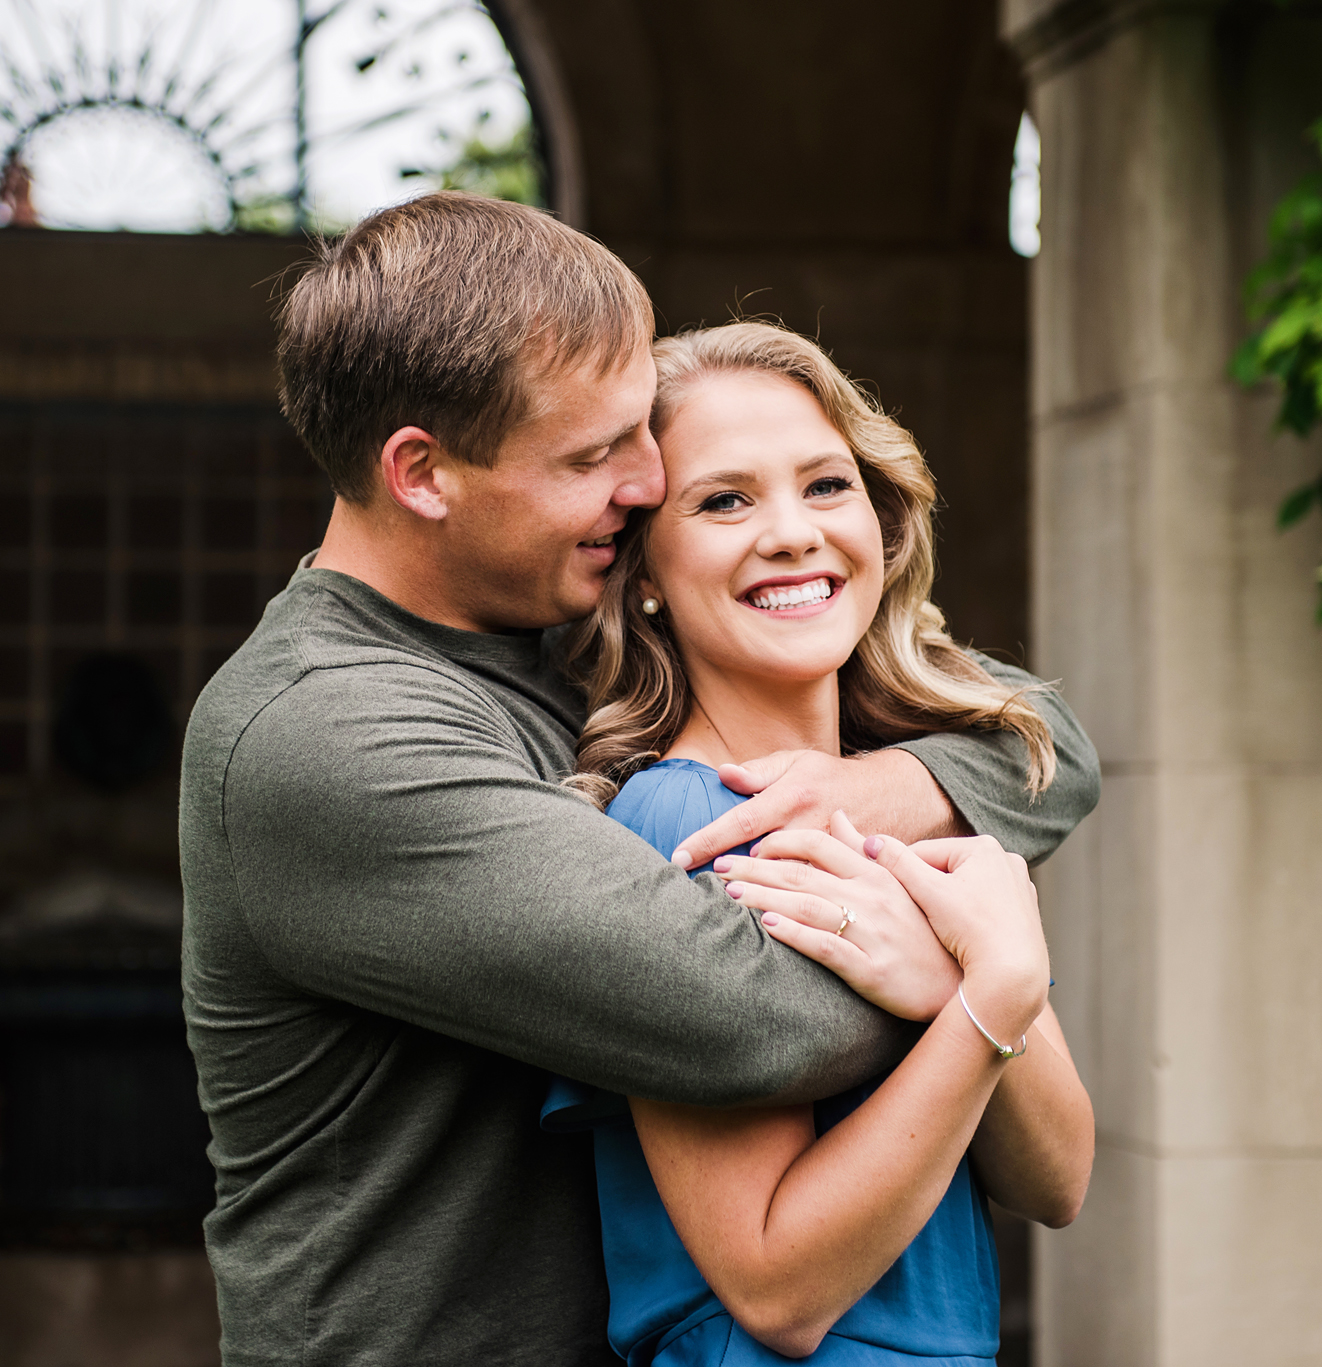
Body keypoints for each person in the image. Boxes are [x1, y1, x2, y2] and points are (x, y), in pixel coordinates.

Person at [178, 192, 1100, 1367]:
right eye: (594, 453)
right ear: (421, 471)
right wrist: (973, 966)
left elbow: (1044, 737)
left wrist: (875, 791)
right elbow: (741, 1014)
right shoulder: (329, 733)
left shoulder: (571, 644)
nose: (640, 480)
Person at [549, 322, 1093, 1366]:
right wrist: (990, 989)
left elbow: (1054, 1180)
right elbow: (776, 1287)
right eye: (724, 499)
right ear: (646, 569)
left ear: (880, 526)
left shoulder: (914, 807)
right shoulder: (680, 823)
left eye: (826, 485)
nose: (794, 532)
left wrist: (953, 989)